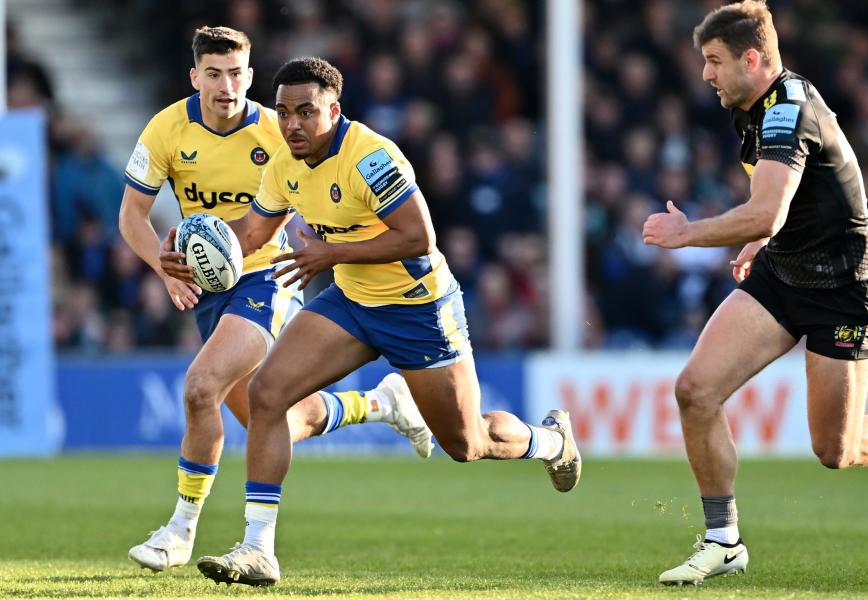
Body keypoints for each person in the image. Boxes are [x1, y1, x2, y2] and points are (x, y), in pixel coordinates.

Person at [158, 57, 581, 587]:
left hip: (417, 308)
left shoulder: (371, 156)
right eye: (285, 113)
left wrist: (330, 254)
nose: (292, 125)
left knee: (465, 443)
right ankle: (258, 548)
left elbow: (418, 238)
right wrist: (195, 245)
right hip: (352, 302)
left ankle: (551, 442)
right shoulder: (284, 163)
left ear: (334, 110)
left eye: (306, 112)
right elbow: (251, 234)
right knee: (267, 394)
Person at [119, 27, 434, 574]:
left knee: (200, 388)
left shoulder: (279, 128)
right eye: (214, 74)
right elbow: (132, 217)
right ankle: (382, 404)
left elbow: (310, 193)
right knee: (282, 421)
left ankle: (180, 529)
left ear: (250, 73)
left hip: (269, 275)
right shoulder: (166, 130)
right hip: (211, 282)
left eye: (238, 72)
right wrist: (164, 269)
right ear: (195, 77)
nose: (227, 85)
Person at [642, 0, 868, 586]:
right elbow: (792, 209)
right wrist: (762, 245)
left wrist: (690, 232)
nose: (705, 74)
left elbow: (766, 212)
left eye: (714, 61)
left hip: (844, 290)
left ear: (752, 57)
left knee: (835, 450)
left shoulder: (787, 110)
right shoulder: (751, 106)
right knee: (695, 390)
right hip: (784, 273)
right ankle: (724, 540)